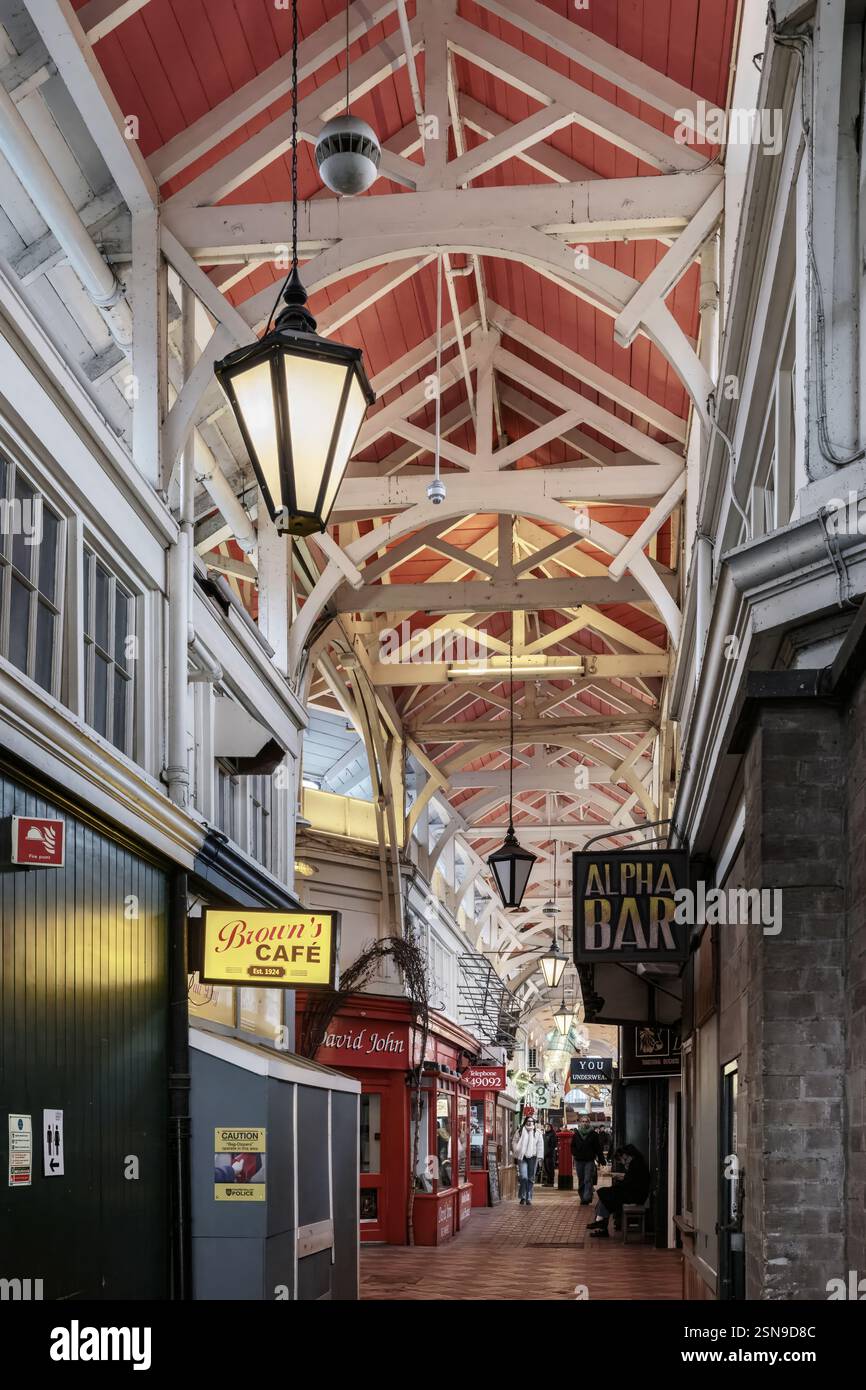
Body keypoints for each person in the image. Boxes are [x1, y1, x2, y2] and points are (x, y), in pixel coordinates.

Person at [589, 1143, 650, 1237]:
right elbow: (630, 1180)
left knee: (605, 1194)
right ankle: (600, 1222)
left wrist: (620, 1180)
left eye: (623, 1156)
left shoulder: (636, 1164)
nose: (623, 1159)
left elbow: (630, 1182)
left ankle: (600, 1222)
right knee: (604, 1194)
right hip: (634, 1193)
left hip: (635, 1196)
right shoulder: (636, 1162)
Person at [512, 1116, 544, 1205]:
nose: (530, 1122)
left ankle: (528, 1198)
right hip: (522, 1156)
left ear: (534, 1123)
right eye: (528, 1121)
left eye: (531, 1121)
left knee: (531, 1178)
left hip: (533, 1157)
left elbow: (540, 1145)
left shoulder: (537, 1133)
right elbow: (514, 1141)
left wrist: (540, 1157)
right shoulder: (520, 1131)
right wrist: (516, 1150)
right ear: (525, 1121)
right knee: (523, 1177)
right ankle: (522, 1196)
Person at [571, 1120, 605, 1205]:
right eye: (582, 1121)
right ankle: (583, 1196)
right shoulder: (576, 1134)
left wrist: (602, 1160)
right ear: (580, 1123)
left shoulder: (594, 1134)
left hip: (589, 1160)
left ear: (589, 1123)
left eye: (586, 1121)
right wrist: (575, 1153)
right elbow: (572, 1146)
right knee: (581, 1179)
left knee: (587, 1179)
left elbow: (598, 1148)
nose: (584, 1123)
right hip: (579, 1160)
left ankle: (586, 1197)